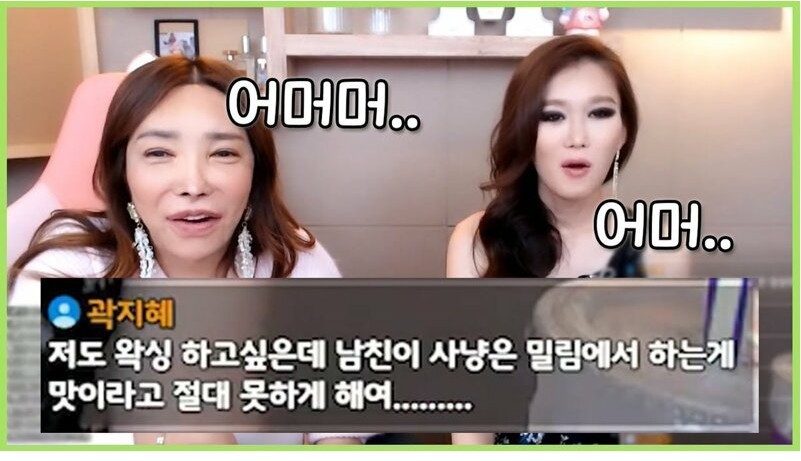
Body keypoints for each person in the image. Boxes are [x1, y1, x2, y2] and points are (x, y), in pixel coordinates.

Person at [8, 55, 373, 445]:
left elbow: (340, 424)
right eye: (159, 153)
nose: (193, 185)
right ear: (123, 173)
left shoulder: (293, 258)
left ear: (256, 173)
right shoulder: (68, 274)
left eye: (223, 153)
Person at [447, 35, 688, 445]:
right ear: (525, 131)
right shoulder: (477, 240)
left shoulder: (658, 249)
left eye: (599, 113)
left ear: (623, 132)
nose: (577, 137)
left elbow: (654, 428)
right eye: (553, 116)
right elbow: (471, 417)